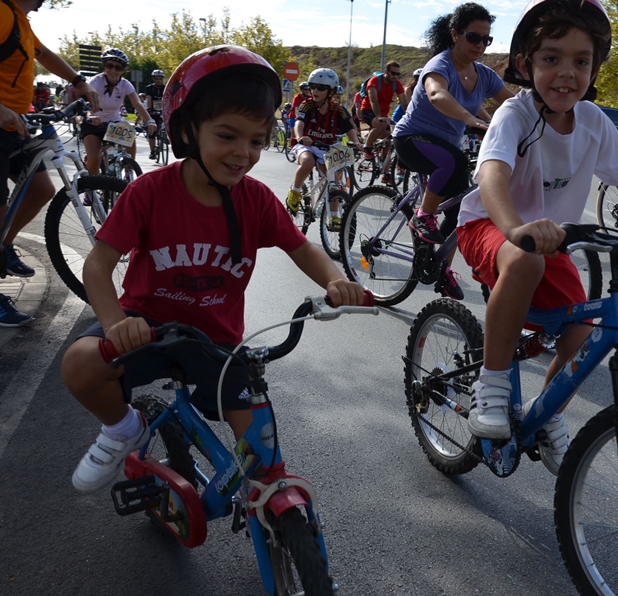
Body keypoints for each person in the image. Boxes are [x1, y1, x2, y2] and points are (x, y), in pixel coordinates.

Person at [60, 45, 365, 493]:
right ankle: (122, 428)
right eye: (227, 136)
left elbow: (301, 248)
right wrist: (114, 322)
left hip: (217, 341)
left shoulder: (256, 199)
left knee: (262, 456)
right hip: (147, 327)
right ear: (186, 131)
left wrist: (338, 280)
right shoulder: (148, 192)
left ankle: (271, 512)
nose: (244, 153)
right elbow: (98, 266)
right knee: (81, 363)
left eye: (257, 141)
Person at [456, 0, 618, 474]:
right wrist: (514, 228)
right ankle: (490, 386)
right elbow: (492, 174)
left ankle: (548, 407)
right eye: (550, 58)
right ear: (524, 64)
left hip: (549, 241)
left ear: (594, 69)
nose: (566, 73)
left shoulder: (594, 121)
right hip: (490, 226)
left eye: (581, 60)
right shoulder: (515, 115)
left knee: (582, 328)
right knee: (524, 261)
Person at [0, 0, 100, 326]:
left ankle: (3, 247)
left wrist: (79, 80)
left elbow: (44, 54)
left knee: (40, 188)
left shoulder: (18, 19)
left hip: (11, 125)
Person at [393, 2, 514, 300]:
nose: (481, 45)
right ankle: (423, 215)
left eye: (487, 39)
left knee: (462, 211)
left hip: (444, 146)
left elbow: (511, 103)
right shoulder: (440, 65)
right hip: (411, 139)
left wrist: (539, 121)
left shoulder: (484, 75)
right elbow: (437, 94)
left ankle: (442, 269)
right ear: (455, 34)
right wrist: (469, 118)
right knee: (455, 161)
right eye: (474, 37)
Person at [285, 68, 361, 232]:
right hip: (306, 144)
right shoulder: (307, 105)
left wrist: (356, 142)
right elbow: (299, 123)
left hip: (326, 147)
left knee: (335, 179)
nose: (315, 91)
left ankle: (333, 216)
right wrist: (299, 136)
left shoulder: (338, 109)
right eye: (313, 87)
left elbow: (349, 128)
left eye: (320, 88)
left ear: (331, 91)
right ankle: (295, 192)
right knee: (308, 161)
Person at [80, 48, 156, 176]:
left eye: (118, 68)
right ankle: (90, 191)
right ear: (104, 66)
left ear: (123, 70)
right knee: (94, 161)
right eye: (110, 66)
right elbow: (86, 104)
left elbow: (137, 104)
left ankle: (128, 174)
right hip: (93, 124)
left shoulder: (125, 84)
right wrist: (90, 115)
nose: (113, 70)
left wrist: (150, 120)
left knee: (130, 139)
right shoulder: (96, 81)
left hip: (114, 124)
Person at [359, 62, 408, 158]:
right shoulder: (375, 81)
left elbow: (404, 102)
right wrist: (379, 117)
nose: (396, 76)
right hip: (368, 110)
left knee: (388, 140)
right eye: (393, 73)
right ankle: (367, 147)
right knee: (380, 124)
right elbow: (374, 101)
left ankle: (384, 169)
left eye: (398, 74)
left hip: (383, 113)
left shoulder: (397, 84)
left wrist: (410, 116)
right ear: (386, 72)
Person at [143, 68, 165, 159]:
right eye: (157, 79)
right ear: (153, 79)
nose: (159, 80)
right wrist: (150, 109)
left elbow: (168, 98)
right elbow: (148, 99)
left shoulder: (165, 87)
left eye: (160, 79)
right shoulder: (149, 88)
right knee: (152, 132)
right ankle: (152, 151)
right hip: (153, 110)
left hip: (163, 110)